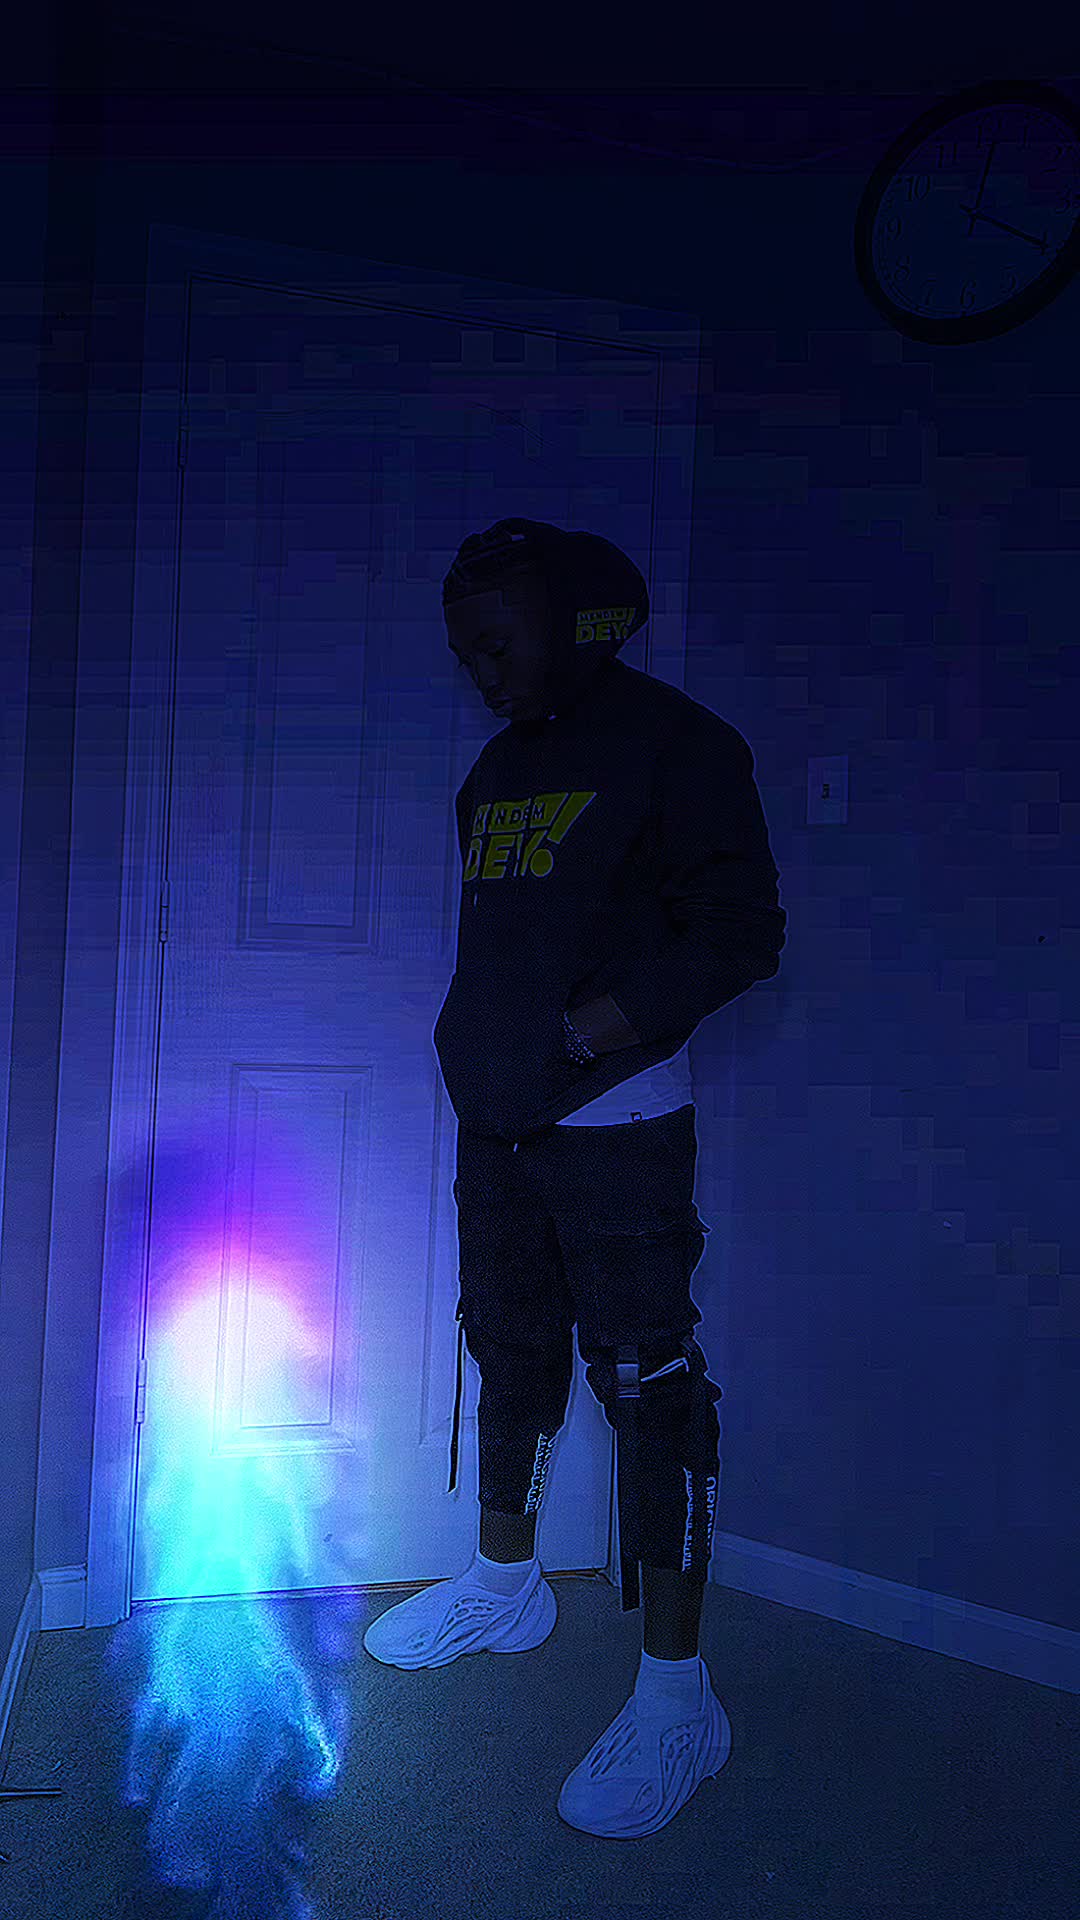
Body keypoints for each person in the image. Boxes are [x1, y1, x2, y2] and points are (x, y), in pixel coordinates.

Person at [363, 517, 786, 1838]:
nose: (483, 674)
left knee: (649, 1386)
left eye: (500, 645)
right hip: (497, 1118)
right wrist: (487, 1049)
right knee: (507, 1343)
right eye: (466, 655)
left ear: (578, 622)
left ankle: (678, 1699)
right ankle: (506, 1587)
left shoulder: (682, 745)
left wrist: (580, 1035)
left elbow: (742, 932)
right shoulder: (496, 771)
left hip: (617, 1120)